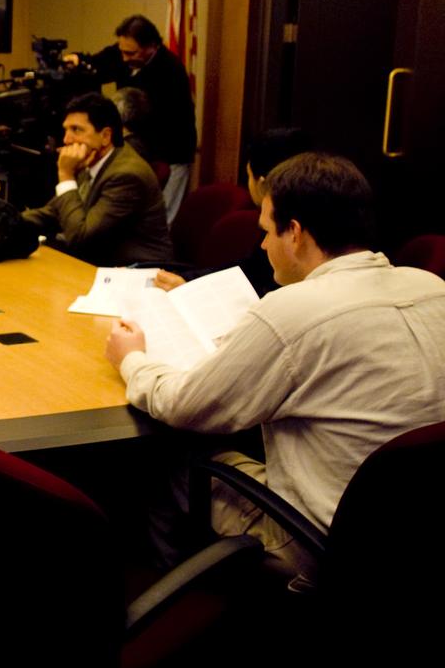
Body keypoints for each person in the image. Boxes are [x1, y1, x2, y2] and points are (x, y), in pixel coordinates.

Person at [106, 153, 445, 579]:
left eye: (267, 231)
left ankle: (179, 608)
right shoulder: (433, 286)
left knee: (165, 458)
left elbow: (184, 406)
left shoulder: (292, 308)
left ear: (296, 234)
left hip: (320, 546)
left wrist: (132, 358)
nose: (263, 245)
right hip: (418, 530)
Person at [21, 92, 173, 266]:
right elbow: (54, 213)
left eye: (76, 130)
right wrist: (6, 221)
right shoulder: (94, 160)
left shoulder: (126, 175)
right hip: (102, 262)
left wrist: (66, 176)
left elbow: (81, 238)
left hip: (138, 271)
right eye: (66, 130)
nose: (66, 139)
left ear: (106, 136)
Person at [155, 127, 310, 296]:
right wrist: (190, 282)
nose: (264, 244)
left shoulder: (283, 226)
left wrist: (195, 289)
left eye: (248, 176)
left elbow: (260, 281)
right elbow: (252, 267)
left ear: (264, 184)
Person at [71, 15, 196, 221]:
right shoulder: (122, 53)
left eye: (131, 53)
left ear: (152, 47)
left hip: (171, 152)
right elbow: (97, 64)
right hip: (137, 147)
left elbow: (164, 122)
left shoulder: (170, 71)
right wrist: (78, 60)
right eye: (122, 51)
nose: (124, 58)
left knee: (162, 216)